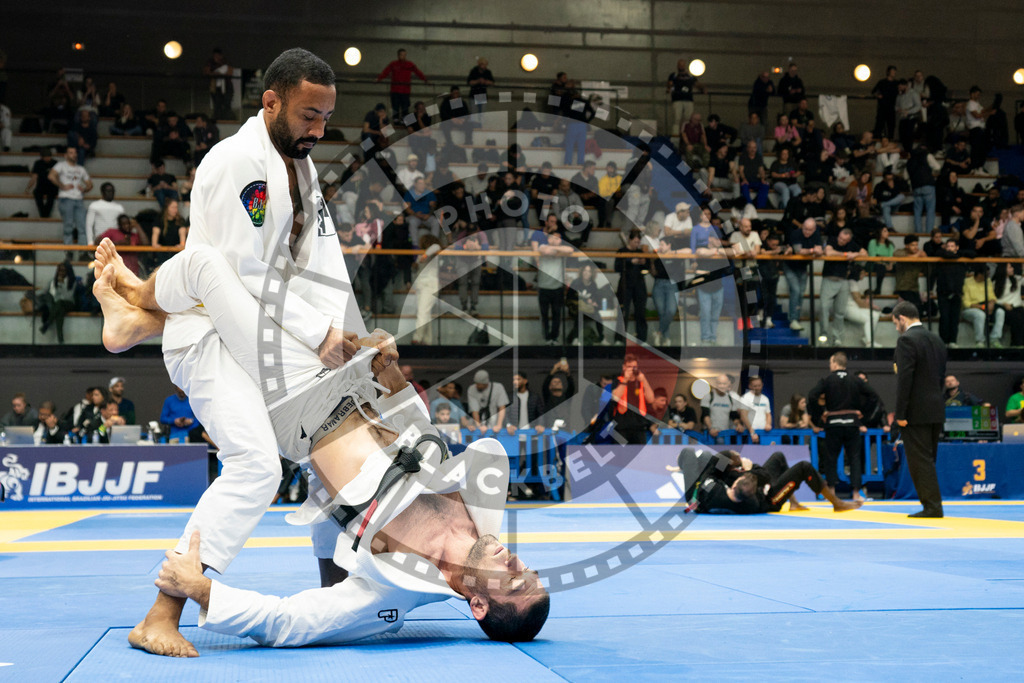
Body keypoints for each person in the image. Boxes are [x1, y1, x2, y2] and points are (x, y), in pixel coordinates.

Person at [91, 48, 371, 659]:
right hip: (211, 338)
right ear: (270, 102)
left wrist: (353, 334)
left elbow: (323, 263)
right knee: (257, 466)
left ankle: (136, 313)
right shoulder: (240, 161)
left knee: (327, 446)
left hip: (258, 333)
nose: (320, 130)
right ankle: (159, 616)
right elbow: (241, 267)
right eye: (308, 116)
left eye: (327, 117)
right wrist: (320, 333)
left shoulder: (301, 166)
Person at [152, 366, 549, 648]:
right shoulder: (481, 507)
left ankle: (137, 319)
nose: (516, 562)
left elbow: (291, 621)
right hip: (355, 377)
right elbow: (426, 445)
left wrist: (203, 591)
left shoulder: (393, 590)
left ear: (477, 605)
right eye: (529, 569)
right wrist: (395, 382)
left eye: (513, 580)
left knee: (210, 285)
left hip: (299, 410)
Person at [671, 449, 861, 514]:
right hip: (770, 499)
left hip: (743, 486)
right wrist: (749, 467)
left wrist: (730, 458)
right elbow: (765, 477)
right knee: (802, 466)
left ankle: (794, 504)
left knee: (697, 454)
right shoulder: (754, 502)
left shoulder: (713, 490)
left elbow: (711, 471)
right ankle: (836, 502)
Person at [892, 301, 947, 518]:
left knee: (919, 461)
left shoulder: (906, 340)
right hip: (935, 408)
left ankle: (932, 507)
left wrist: (901, 414)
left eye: (896, 323)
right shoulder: (937, 339)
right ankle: (933, 505)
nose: (896, 327)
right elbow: (941, 376)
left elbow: (905, 379)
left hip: (916, 411)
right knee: (929, 459)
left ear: (902, 319)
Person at [808, 352, 875, 501]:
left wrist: (821, 414)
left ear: (835, 364)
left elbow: (812, 396)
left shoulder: (827, 380)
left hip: (833, 423)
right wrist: (862, 414)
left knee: (830, 458)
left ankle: (831, 491)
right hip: (852, 423)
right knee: (854, 458)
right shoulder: (855, 380)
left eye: (830, 363)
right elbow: (873, 396)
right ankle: (857, 493)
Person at [599, 354, 655, 445]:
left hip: (639, 428)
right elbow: (615, 398)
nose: (632, 370)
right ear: (624, 367)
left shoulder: (641, 381)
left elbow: (651, 399)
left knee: (639, 457)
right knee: (622, 457)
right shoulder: (618, 381)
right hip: (621, 428)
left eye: (634, 367)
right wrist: (625, 380)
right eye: (629, 367)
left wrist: (644, 380)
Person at [48, 147, 93, 247]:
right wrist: (62, 186)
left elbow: (90, 184)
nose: (74, 154)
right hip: (66, 198)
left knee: (82, 226)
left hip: (78, 200)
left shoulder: (81, 169)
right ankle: (68, 251)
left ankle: (83, 252)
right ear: (65, 155)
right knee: (68, 226)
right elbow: (51, 176)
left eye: (75, 152)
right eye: (71, 153)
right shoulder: (61, 165)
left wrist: (84, 189)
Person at [615, 228, 649, 343]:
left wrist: (644, 263)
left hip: (639, 284)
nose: (636, 244)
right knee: (623, 312)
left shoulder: (640, 253)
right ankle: (619, 339)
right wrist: (630, 261)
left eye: (638, 242)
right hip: (625, 284)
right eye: (635, 242)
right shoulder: (622, 250)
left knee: (640, 312)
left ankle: (642, 339)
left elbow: (646, 269)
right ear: (629, 240)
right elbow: (617, 267)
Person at [376, 49, 428, 122]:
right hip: (395, 90)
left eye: (404, 55)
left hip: (405, 90)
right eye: (402, 55)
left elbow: (417, 72)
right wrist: (379, 79)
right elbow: (385, 72)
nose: (403, 57)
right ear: (398, 55)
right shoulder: (393, 64)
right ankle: (396, 120)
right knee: (395, 106)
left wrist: (424, 79)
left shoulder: (409, 64)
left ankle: (405, 121)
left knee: (405, 107)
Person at [35, 260, 77, 344]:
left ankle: (48, 323)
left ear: (67, 271)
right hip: (57, 305)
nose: (61, 273)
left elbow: (67, 296)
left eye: (63, 271)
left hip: (69, 303)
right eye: (59, 270)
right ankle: (60, 340)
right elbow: (44, 291)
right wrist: (33, 294)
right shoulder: (53, 281)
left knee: (60, 303)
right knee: (59, 312)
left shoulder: (72, 282)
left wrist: (61, 285)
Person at [701, 374, 752, 441]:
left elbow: (733, 416)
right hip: (711, 433)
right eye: (720, 383)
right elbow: (705, 415)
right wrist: (711, 428)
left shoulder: (731, 398)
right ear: (716, 384)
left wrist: (738, 424)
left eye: (724, 384)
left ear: (728, 385)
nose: (722, 386)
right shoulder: (709, 396)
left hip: (726, 433)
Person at [85, 183, 126, 247]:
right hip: (99, 240)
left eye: (113, 191)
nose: (111, 193)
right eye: (108, 191)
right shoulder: (94, 205)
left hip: (115, 241)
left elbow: (123, 225)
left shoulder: (119, 208)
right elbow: (89, 225)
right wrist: (90, 242)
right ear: (102, 192)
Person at [993, 262, 1024, 346]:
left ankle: (1018, 343)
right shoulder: (996, 283)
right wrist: (1003, 304)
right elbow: (993, 299)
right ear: (1003, 269)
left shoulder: (1017, 279)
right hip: (1004, 308)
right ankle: (1016, 344)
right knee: (1017, 318)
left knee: (1020, 315)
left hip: (1018, 307)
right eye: (1010, 267)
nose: (1012, 269)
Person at [203, 48, 236, 121]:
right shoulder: (210, 62)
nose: (216, 57)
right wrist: (215, 73)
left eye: (218, 55)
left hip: (226, 86)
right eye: (215, 56)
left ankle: (227, 119)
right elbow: (206, 72)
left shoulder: (226, 62)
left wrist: (220, 73)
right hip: (215, 87)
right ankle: (217, 118)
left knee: (227, 104)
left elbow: (230, 72)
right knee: (217, 104)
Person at [739, 375, 772, 441]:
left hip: (763, 433)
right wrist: (752, 432)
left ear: (762, 385)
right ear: (750, 386)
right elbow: (743, 416)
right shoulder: (745, 398)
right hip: (749, 433)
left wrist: (768, 424)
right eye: (755, 386)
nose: (757, 388)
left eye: (759, 385)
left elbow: (768, 414)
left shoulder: (765, 399)